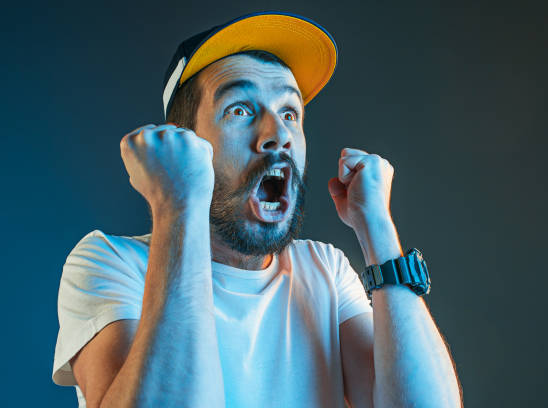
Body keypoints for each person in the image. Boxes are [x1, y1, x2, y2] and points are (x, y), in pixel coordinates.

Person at [52, 12, 462, 408]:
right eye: (240, 110)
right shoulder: (110, 264)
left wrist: (378, 231)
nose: (279, 135)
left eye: (289, 112)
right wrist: (178, 205)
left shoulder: (325, 271)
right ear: (185, 145)